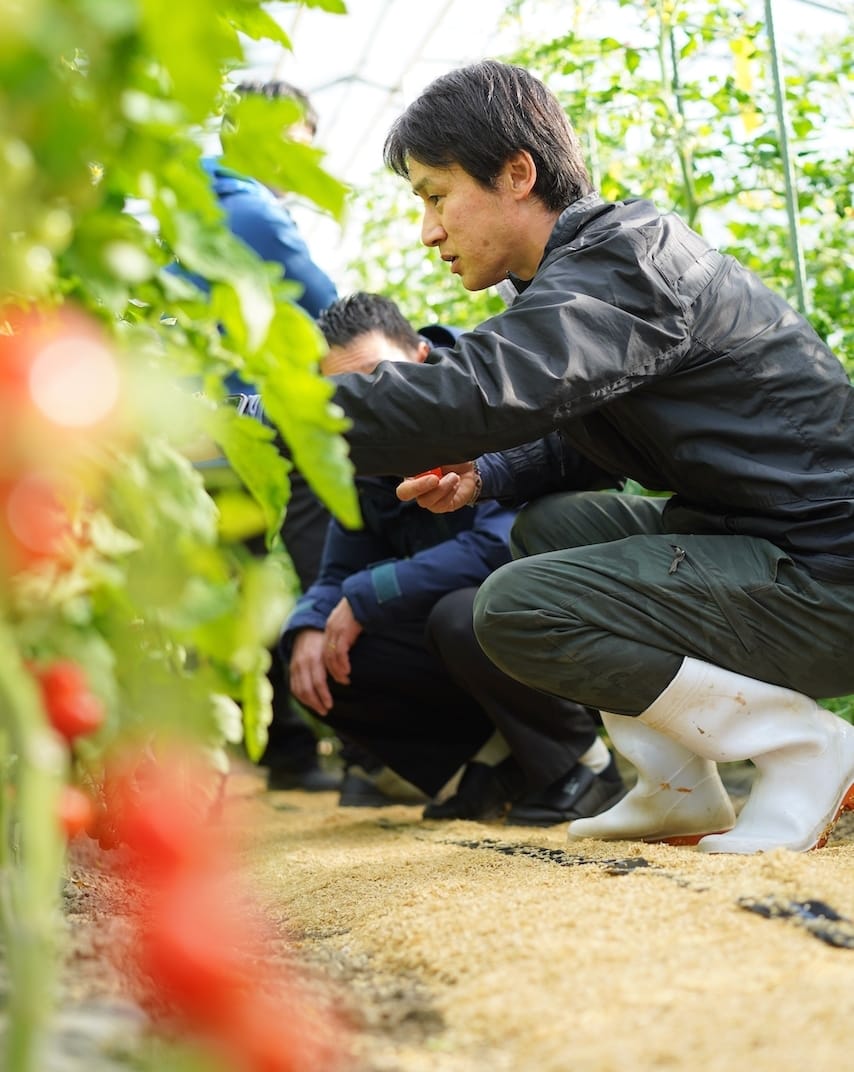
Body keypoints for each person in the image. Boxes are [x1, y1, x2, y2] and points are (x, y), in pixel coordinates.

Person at [317, 60, 854, 854]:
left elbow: (474, 391)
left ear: (517, 173)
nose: (427, 230)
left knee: (513, 606)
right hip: (771, 547)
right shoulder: (580, 276)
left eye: (435, 196)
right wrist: (486, 475)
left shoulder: (627, 262)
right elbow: (582, 438)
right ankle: (675, 787)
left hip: (826, 577)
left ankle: (807, 750)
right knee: (552, 527)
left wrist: (276, 413)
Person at [277, 291, 625, 822]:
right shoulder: (364, 458)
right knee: (318, 650)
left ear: (419, 358)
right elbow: (338, 569)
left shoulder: (483, 401)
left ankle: (587, 764)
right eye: (343, 393)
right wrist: (307, 624)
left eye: (376, 380)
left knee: (464, 614)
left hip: (579, 616)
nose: (363, 404)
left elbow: (499, 546)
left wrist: (366, 594)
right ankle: (491, 767)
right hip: (475, 645)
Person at [199, 79, 341, 790]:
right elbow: (335, 319)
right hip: (242, 437)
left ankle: (265, 750)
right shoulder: (251, 211)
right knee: (307, 571)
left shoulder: (185, 205)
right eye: (293, 147)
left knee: (222, 588)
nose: (300, 169)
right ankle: (329, 748)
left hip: (186, 436)